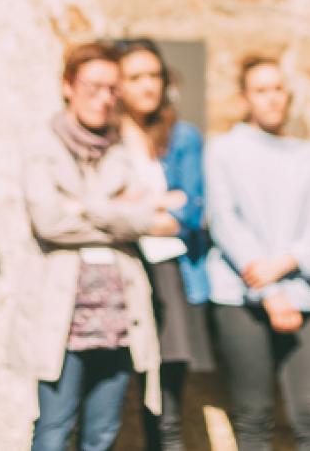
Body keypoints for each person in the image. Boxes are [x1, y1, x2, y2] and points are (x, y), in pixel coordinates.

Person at [14, 42, 180, 451]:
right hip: (65, 317)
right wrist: (123, 215)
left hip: (119, 318)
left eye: (112, 89)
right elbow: (50, 221)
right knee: (54, 430)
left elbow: (154, 220)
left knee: (102, 435)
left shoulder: (124, 150)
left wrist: (84, 207)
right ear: (68, 86)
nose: (104, 98)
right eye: (94, 87)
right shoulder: (43, 148)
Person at [206, 55, 310, 451]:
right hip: (240, 298)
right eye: (261, 90)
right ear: (246, 97)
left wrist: (284, 264)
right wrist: (270, 292)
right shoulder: (223, 151)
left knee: (309, 416)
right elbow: (225, 222)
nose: (272, 99)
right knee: (254, 417)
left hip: (305, 299)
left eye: (278, 89)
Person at [117, 38, 213, 451]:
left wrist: (138, 209)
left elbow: (191, 209)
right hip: (122, 269)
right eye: (135, 77)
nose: (147, 86)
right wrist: (158, 204)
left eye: (154, 75)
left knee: (167, 401)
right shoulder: (106, 138)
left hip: (171, 273)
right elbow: (104, 210)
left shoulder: (182, 136)